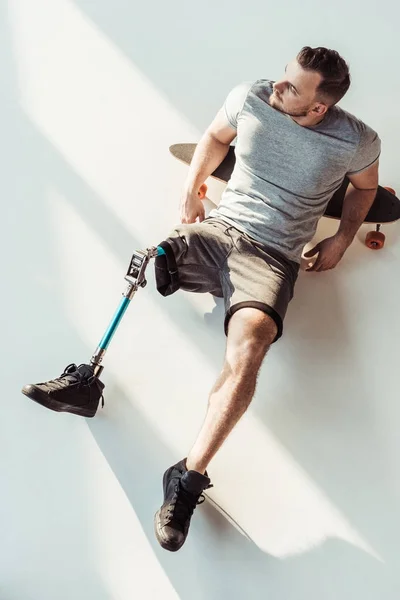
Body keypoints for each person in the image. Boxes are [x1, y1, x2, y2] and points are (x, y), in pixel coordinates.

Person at [22, 46, 381, 553]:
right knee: (150, 254)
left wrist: (342, 239)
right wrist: (193, 189)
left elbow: (366, 190)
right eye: (284, 75)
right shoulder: (251, 98)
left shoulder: (355, 139)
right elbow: (215, 137)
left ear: (320, 107)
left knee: (250, 353)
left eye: (293, 87)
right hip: (217, 230)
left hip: (273, 258)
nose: (277, 86)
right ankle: (86, 380)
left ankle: (187, 479)